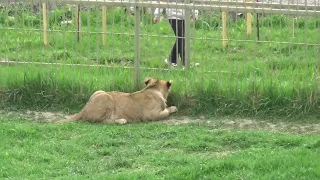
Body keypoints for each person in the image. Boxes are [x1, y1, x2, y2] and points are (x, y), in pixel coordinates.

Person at [152, 0, 199, 68]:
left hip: (183, 17)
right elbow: (163, 1)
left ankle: (171, 60)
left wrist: (194, 13)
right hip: (173, 17)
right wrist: (157, 15)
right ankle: (185, 63)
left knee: (181, 38)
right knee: (181, 38)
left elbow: (190, 1)